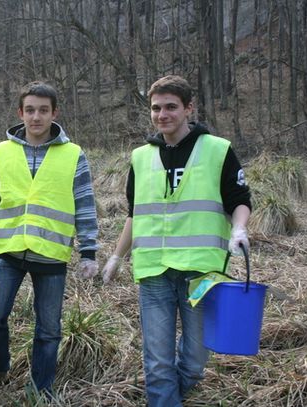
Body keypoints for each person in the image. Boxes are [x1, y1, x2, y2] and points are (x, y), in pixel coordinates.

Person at [101, 75, 251, 407]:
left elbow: (239, 200)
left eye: (171, 107)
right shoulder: (140, 157)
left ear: (188, 109)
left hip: (201, 273)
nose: (162, 114)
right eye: (156, 108)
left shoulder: (217, 150)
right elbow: (134, 214)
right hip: (154, 272)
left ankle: (171, 395)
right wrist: (117, 256)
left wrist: (239, 229)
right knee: (157, 361)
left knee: (196, 359)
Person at [0, 81, 99, 398]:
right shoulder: (2, 152)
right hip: (5, 251)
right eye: (30, 110)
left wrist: (89, 251)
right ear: (20, 113)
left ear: (54, 113)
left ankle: (41, 389)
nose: (36, 117)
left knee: (49, 329)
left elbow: (85, 205)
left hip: (50, 255)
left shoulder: (74, 155)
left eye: (43, 110)